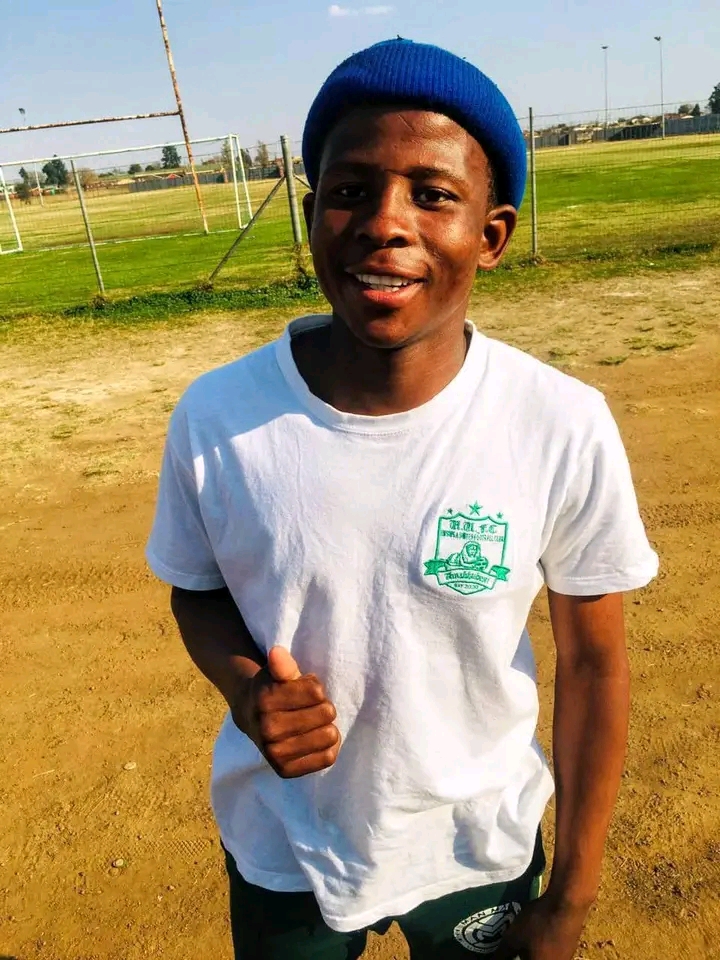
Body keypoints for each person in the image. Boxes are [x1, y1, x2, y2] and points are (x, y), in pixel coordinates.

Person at [146, 39, 658, 960]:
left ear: (491, 236)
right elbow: (197, 588)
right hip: (286, 844)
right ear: (312, 217)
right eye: (351, 189)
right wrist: (247, 689)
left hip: (477, 842)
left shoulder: (559, 422)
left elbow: (592, 665)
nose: (386, 222)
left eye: (432, 194)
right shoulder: (218, 416)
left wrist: (572, 898)